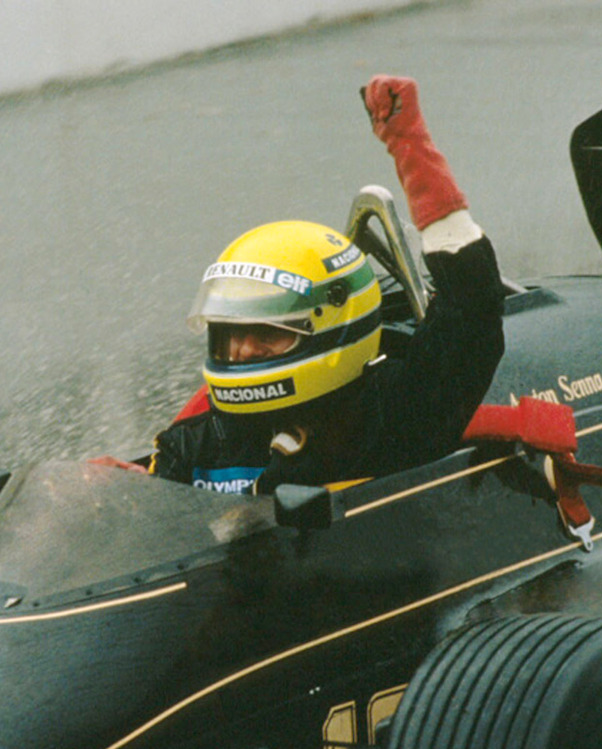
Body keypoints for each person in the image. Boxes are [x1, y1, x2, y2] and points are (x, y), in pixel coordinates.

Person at [111, 75, 505, 493]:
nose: (242, 351)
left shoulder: (400, 414)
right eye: (230, 334)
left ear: (330, 331)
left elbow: (472, 306)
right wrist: (117, 498)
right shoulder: (199, 444)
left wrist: (408, 142)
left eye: (266, 333)